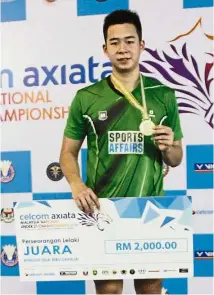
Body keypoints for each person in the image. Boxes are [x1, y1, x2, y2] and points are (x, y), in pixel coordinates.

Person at [60, 9, 183, 295]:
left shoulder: (163, 95)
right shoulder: (87, 97)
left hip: (149, 210)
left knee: (150, 291)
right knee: (109, 292)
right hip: (103, 211)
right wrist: (77, 185)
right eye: (114, 43)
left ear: (141, 44)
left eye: (129, 41)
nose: (123, 49)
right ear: (105, 49)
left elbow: (176, 159)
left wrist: (168, 148)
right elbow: (67, 153)